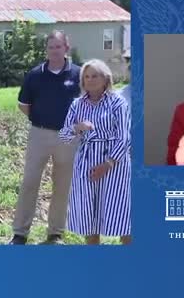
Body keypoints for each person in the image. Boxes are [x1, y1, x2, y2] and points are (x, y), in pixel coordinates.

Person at [11, 30, 81, 245]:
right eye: (50, 47)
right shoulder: (35, 74)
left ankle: (55, 233)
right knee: (30, 182)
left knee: (62, 185)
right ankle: (20, 233)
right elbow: (24, 104)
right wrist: (41, 118)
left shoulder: (78, 74)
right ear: (46, 49)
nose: (54, 51)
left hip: (68, 137)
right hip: (39, 134)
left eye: (58, 46)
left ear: (66, 48)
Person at [59, 59, 132, 245]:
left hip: (114, 165)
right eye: (86, 76)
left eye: (94, 76)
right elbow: (64, 137)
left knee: (121, 214)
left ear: (105, 79)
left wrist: (108, 164)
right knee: (89, 216)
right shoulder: (77, 104)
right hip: (86, 164)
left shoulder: (118, 103)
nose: (90, 80)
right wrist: (77, 127)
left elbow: (124, 137)